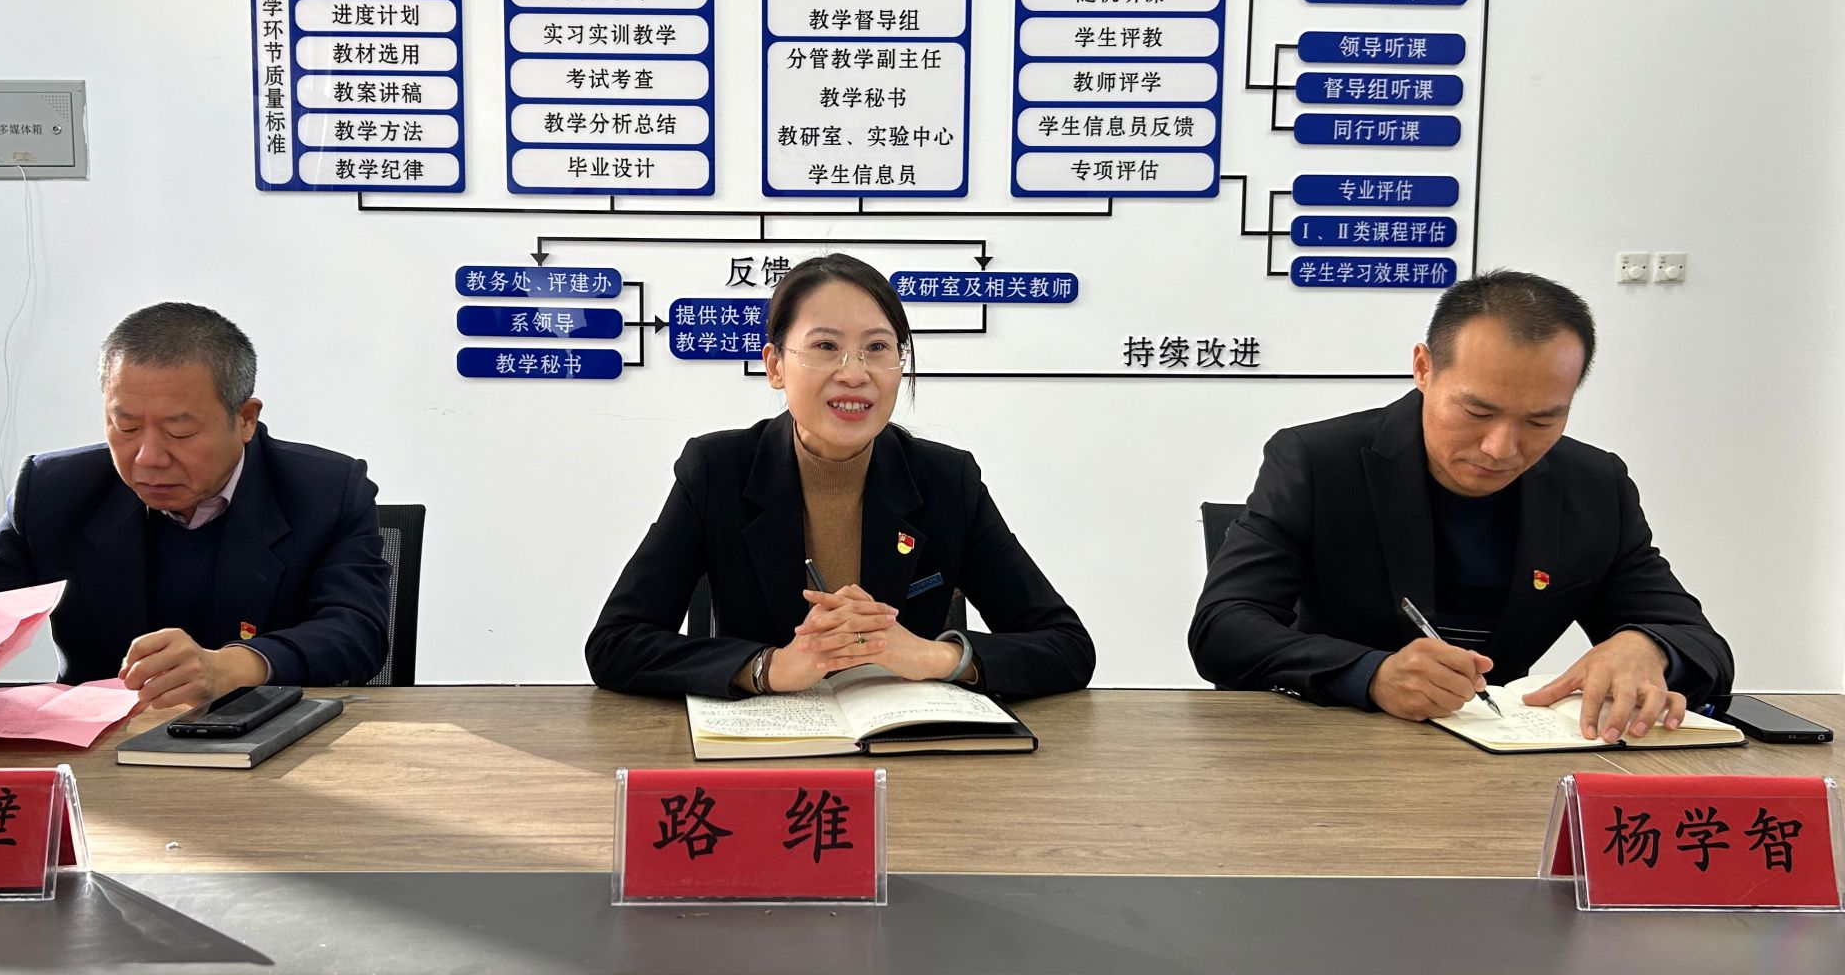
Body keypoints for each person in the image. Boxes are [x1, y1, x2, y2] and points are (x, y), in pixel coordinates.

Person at [1189, 269, 1731, 740]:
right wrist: (1370, 674)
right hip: (1333, 749)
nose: (1502, 448)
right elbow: (1224, 628)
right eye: (1477, 412)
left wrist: (1647, 647)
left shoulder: (1593, 485)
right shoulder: (1318, 461)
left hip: (1503, 757)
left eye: (1541, 420)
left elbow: (1702, 645)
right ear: (1423, 368)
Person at [0, 302, 389, 722]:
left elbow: (357, 632)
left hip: (276, 739)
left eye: (180, 431)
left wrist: (233, 666)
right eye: (124, 426)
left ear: (245, 417)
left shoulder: (324, 490)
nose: (148, 457)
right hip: (98, 749)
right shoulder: (57, 489)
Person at [587, 252, 1093, 701]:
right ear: (775, 366)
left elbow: (1067, 646)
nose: (855, 373)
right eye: (826, 346)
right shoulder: (716, 470)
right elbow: (616, 642)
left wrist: (931, 656)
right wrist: (768, 668)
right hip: (767, 753)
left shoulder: (946, 480)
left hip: (910, 752)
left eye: (878, 348)